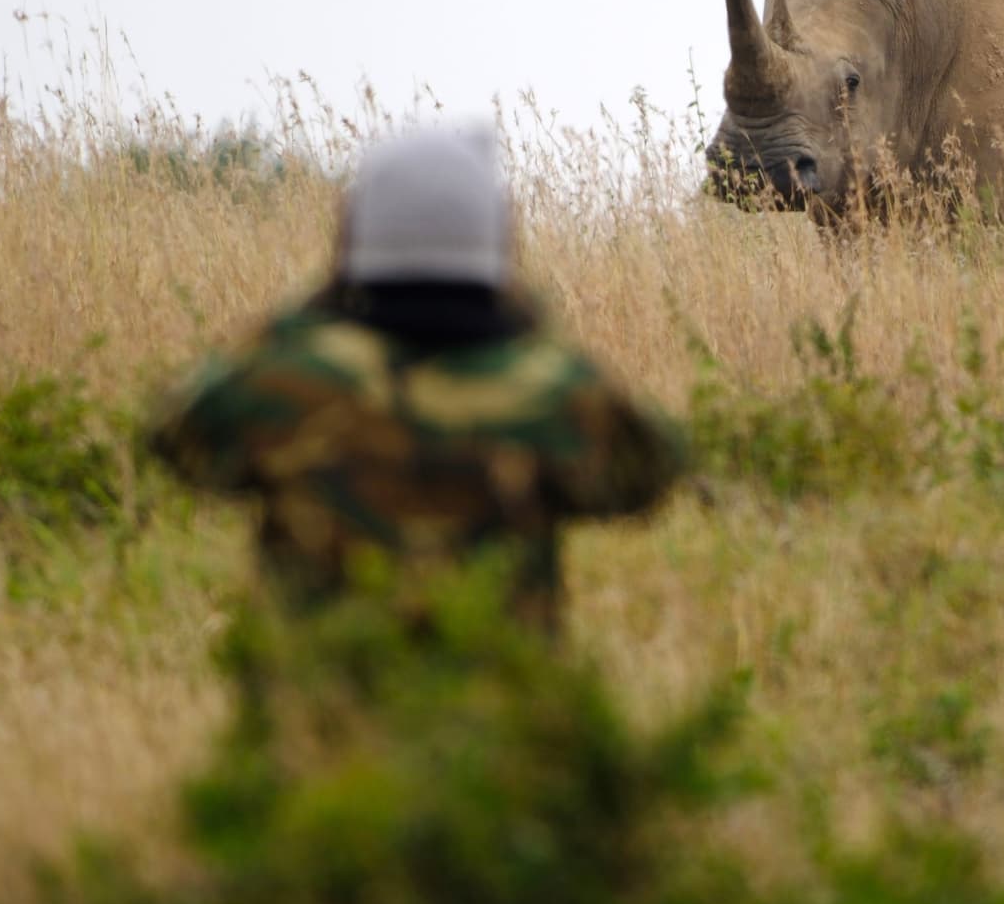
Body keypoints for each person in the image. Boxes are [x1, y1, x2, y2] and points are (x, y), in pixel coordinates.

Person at [146, 125, 685, 629]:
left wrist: (306, 311)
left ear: (351, 239)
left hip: (317, 711)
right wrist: (534, 324)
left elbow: (172, 436)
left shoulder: (286, 385)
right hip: (503, 712)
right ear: (499, 240)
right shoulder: (552, 394)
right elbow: (653, 470)